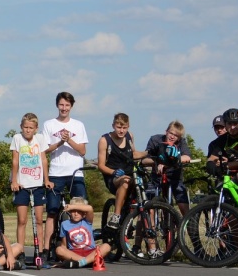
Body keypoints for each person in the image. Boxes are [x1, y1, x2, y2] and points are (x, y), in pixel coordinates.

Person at [43, 92, 89, 254]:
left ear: (71, 106)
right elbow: (45, 150)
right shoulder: (49, 124)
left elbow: (83, 151)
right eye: (61, 105)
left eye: (67, 105)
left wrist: (69, 140)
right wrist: (60, 142)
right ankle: (46, 248)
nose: (64, 108)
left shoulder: (78, 125)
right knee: (52, 211)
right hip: (56, 172)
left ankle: (82, 244)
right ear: (57, 105)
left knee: (81, 209)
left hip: (75, 173)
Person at [9, 112, 51, 260]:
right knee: (22, 220)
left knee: (39, 220)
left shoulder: (40, 139)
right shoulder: (17, 138)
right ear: (21, 127)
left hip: (37, 184)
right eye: (25, 127)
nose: (27, 130)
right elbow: (15, 161)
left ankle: (38, 251)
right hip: (22, 185)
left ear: (36, 128)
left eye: (30, 128)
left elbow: (44, 160)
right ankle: (19, 250)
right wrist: (14, 180)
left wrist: (46, 179)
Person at [96, 113, 142, 228]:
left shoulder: (129, 137)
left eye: (124, 128)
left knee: (144, 185)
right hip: (113, 177)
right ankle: (116, 216)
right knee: (125, 181)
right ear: (113, 125)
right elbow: (101, 165)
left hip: (130, 173)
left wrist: (149, 153)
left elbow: (134, 154)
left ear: (128, 127)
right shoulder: (104, 140)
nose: (121, 131)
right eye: (119, 127)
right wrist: (113, 172)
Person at [144, 120, 193, 215]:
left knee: (184, 207)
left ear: (179, 138)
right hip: (156, 177)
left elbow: (187, 157)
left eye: (176, 135)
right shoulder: (155, 140)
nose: (172, 136)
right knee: (148, 207)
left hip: (175, 178)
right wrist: (158, 162)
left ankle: (189, 229)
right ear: (166, 131)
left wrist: (173, 160)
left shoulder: (181, 143)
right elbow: (145, 159)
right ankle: (150, 229)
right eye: (171, 133)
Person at [55, 197, 111, 268]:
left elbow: (90, 208)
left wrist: (72, 206)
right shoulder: (64, 224)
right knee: (59, 250)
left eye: (79, 211)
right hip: (75, 253)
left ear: (84, 213)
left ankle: (80, 263)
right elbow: (64, 245)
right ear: (69, 212)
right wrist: (62, 259)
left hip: (90, 251)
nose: (76, 214)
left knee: (106, 246)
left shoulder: (87, 221)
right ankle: (88, 262)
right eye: (73, 211)